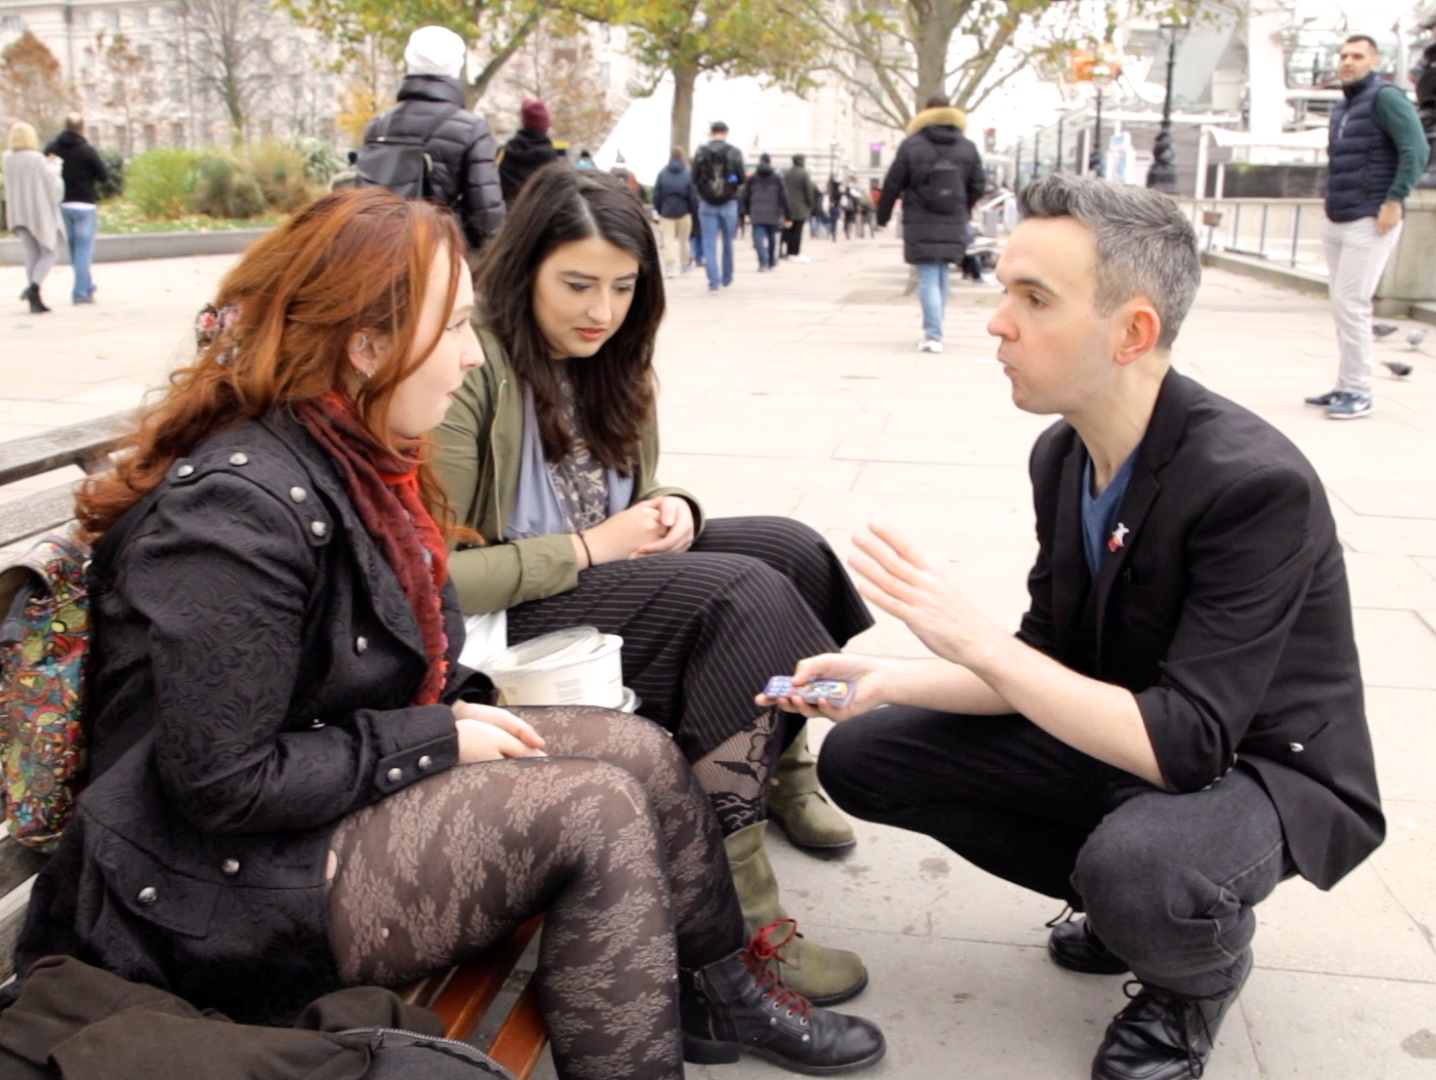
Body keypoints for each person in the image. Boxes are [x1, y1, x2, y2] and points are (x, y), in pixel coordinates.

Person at [7, 188, 885, 1080]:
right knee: (592, 810)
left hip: (300, 820)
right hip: (205, 890)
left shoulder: (357, 455)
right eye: (455, 327)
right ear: (367, 345)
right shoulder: (234, 512)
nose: (472, 356)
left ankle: (722, 990)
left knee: (638, 755)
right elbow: (222, 783)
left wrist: (443, 727)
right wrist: (432, 738)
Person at [766, 175, 1383, 1080]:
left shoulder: (1255, 484)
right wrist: (893, 679)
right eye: (1004, 288)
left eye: (1034, 298)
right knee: (867, 757)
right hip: (1134, 727)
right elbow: (1044, 660)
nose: (995, 321)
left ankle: (1192, 973)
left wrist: (976, 642)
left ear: (1132, 332)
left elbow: (1190, 745)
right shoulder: (1065, 452)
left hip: (1261, 768)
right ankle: (1128, 894)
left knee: (1144, 867)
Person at [433, 164, 873, 1005]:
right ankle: (738, 929)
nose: (602, 310)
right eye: (577, 284)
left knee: (793, 549)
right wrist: (594, 547)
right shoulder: (474, 370)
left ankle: (780, 766)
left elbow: (642, 496)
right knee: (738, 598)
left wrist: (677, 509)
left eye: (624, 287)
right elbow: (439, 579)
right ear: (523, 268)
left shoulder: (614, 358)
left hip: (594, 573)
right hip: (506, 619)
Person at [1306, 33, 1430, 420]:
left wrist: (1394, 199)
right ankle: (1345, 383)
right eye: (1343, 55)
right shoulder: (1345, 106)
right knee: (1343, 306)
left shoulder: (1385, 97)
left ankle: (1359, 391)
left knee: (1354, 304)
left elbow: (1417, 148)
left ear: (1374, 60)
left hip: (1370, 216)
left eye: (1357, 56)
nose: (1347, 61)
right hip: (1339, 215)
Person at [363, 25, 505, 255]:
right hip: (440, 257)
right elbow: (486, 217)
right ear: (456, 68)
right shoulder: (471, 128)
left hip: (381, 256)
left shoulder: (378, 125)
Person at [876, 94, 984, 354]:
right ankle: (935, 329)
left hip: (920, 218)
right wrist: (962, 206)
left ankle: (933, 334)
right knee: (943, 274)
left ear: (924, 113)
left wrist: (883, 216)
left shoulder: (911, 145)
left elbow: (893, 184)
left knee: (927, 275)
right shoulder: (967, 147)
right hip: (953, 218)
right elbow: (978, 184)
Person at [42, 112, 108, 306]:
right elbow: (103, 175)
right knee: (84, 249)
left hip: (62, 204)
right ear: (82, 127)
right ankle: (81, 292)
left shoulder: (51, 149)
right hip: (85, 205)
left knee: (74, 248)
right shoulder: (87, 150)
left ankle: (86, 285)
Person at [4, 121, 63, 314]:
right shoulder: (36, 158)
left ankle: (34, 299)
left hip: (18, 212)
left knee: (31, 254)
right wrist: (55, 167)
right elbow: (52, 186)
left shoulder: (7, 158)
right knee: (49, 251)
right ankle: (34, 288)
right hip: (37, 211)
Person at [692, 121, 745, 293]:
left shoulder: (701, 152)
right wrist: (731, 183)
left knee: (709, 242)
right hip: (729, 202)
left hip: (707, 203)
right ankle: (727, 276)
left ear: (711, 133)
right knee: (728, 241)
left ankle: (713, 281)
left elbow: (694, 177)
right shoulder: (734, 152)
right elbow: (741, 178)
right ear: (726, 133)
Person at [497, 98, 559, 207]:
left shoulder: (503, 153)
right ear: (546, 126)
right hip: (536, 220)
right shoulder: (551, 159)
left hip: (507, 218)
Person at [740, 153, 790, 272]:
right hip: (773, 211)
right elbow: (784, 197)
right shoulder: (777, 178)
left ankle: (763, 262)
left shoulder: (752, 178)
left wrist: (746, 211)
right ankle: (771, 260)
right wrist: (788, 214)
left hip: (756, 211)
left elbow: (745, 196)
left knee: (758, 238)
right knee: (772, 238)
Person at [653, 145, 698, 278]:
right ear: (682, 157)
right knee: (684, 240)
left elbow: (657, 194)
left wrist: (660, 208)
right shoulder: (688, 174)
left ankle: (670, 267)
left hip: (666, 211)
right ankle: (685, 264)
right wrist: (692, 211)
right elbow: (692, 195)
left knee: (668, 240)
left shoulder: (662, 173)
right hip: (684, 211)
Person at [780, 154, 817, 262]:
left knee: (788, 230)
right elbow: (808, 191)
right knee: (797, 231)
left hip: (787, 207)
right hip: (800, 207)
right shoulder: (804, 174)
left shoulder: (787, 173)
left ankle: (787, 252)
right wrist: (810, 204)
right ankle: (794, 252)